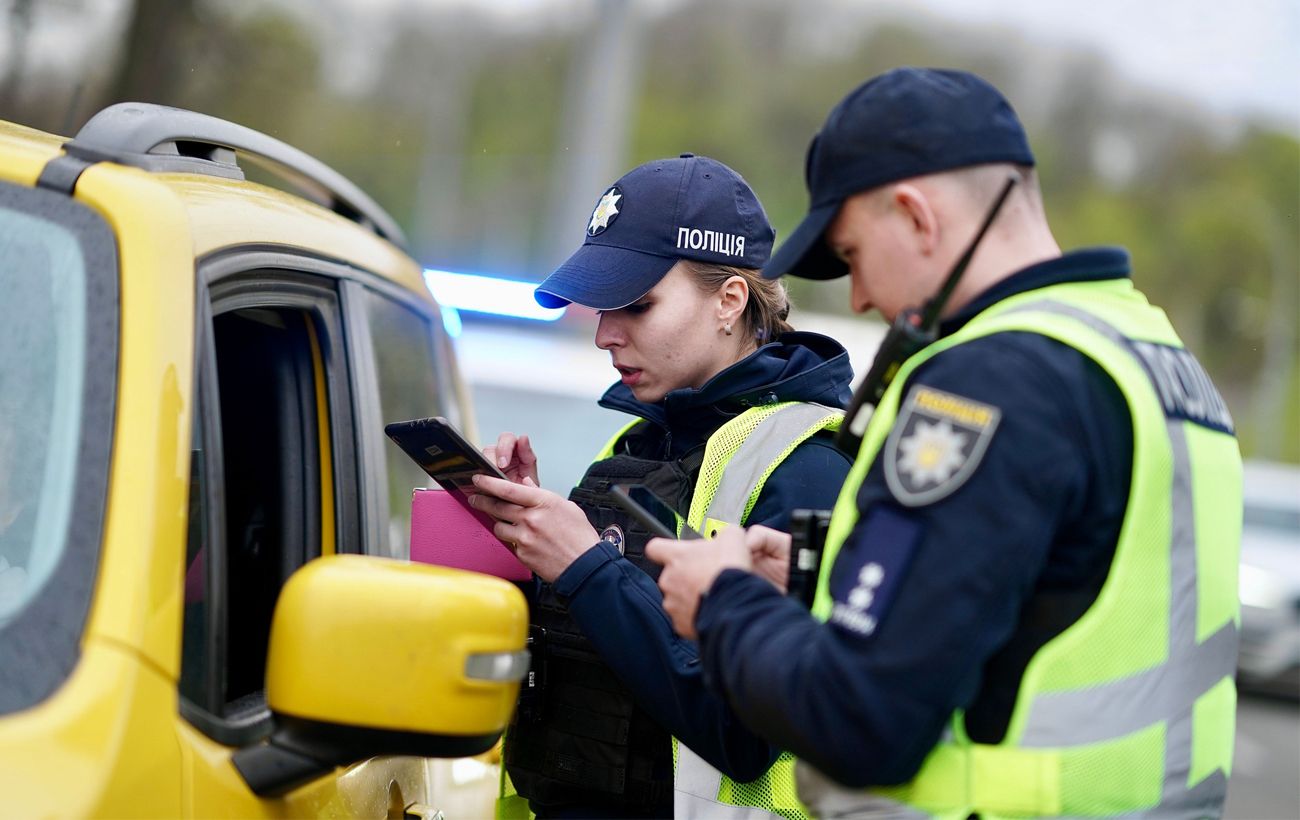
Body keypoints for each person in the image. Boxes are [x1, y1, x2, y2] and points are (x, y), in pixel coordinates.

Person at [647, 68, 1242, 819]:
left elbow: (863, 718)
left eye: (855, 255)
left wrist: (722, 603)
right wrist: (818, 572)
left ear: (916, 216)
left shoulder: (994, 379)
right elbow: (1066, 588)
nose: (860, 298)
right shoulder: (1152, 357)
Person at [467, 153, 855, 819]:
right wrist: (526, 542)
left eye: (637, 305)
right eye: (601, 307)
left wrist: (585, 566)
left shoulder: (808, 462)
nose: (604, 335)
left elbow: (745, 733)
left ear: (729, 301)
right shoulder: (638, 444)